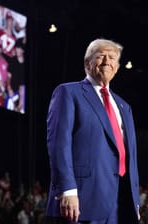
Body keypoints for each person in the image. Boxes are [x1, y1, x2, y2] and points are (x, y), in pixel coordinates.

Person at [45, 38, 140, 224]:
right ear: (87, 63)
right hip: (81, 202)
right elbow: (58, 145)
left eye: (112, 58)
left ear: (118, 67)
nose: (107, 61)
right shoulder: (69, 93)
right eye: (101, 56)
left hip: (119, 205)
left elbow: (131, 157)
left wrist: (134, 201)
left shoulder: (124, 106)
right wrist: (67, 189)